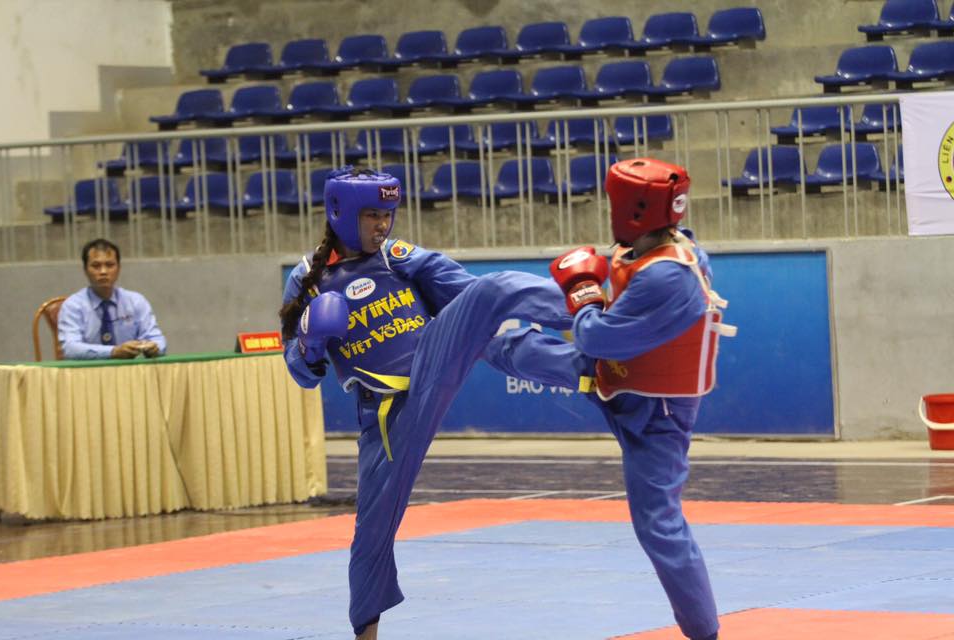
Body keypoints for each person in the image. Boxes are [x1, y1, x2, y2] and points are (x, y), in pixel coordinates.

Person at [278, 167, 583, 639]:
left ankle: (595, 332)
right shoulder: (308, 281)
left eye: (388, 214)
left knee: (491, 299)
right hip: (383, 414)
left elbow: (466, 293)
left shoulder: (398, 257)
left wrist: (500, 315)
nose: (383, 225)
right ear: (340, 214)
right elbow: (301, 373)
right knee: (372, 533)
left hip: (432, 359)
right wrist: (310, 341)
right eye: (372, 215)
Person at [490, 158, 733, 640]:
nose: (609, 213)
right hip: (617, 379)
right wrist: (581, 292)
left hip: (657, 412)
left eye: (613, 204)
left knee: (658, 524)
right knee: (524, 343)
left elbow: (595, 336)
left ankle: (705, 634)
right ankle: (459, 329)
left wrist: (584, 291)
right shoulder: (645, 247)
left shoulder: (670, 276)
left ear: (633, 209)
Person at [57, 238, 166, 360]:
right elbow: (70, 349)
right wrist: (113, 352)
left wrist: (155, 348)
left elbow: (158, 340)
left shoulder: (136, 301)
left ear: (119, 268)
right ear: (85, 270)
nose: (103, 271)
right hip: (88, 370)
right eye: (96, 266)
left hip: (130, 370)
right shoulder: (73, 305)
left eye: (109, 265)